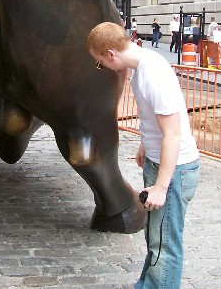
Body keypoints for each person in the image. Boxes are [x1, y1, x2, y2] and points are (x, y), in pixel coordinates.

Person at [86, 22, 199, 288]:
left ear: (111, 54)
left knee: (165, 244)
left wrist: (161, 186)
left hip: (174, 170)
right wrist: (145, 145)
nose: (103, 67)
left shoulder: (152, 73)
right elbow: (157, 122)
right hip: (161, 163)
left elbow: (173, 134)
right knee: (156, 237)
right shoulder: (142, 68)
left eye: (100, 62)